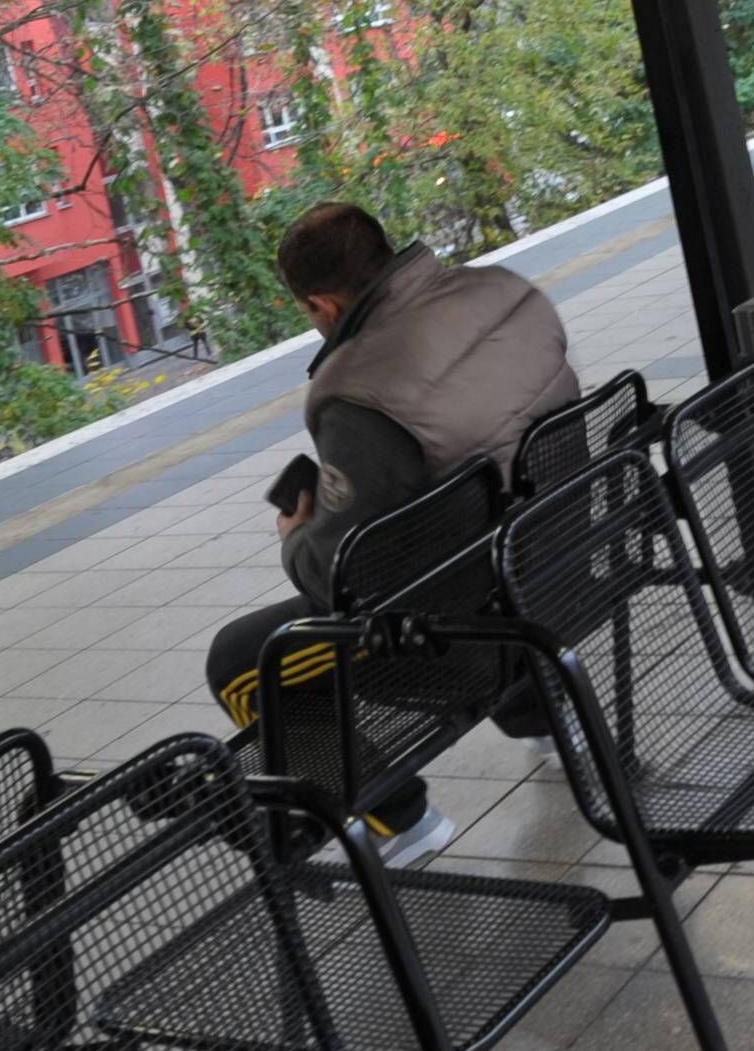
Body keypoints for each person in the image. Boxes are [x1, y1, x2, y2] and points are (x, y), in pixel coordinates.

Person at [204, 202, 580, 861]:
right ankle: (550, 723)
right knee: (473, 539)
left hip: (473, 635)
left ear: (322, 304)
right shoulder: (502, 290)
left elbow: (340, 579)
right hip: (566, 565)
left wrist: (296, 535)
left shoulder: (359, 391)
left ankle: (400, 819)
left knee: (241, 660)